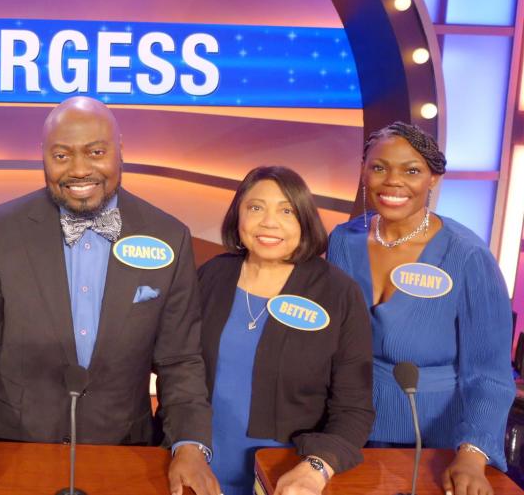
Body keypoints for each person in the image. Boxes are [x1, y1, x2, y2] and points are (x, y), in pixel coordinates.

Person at [0, 96, 219, 495]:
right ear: (42, 157)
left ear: (120, 152)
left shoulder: (170, 236)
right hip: (13, 448)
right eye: (62, 155)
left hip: (122, 452)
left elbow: (180, 361)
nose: (79, 169)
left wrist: (190, 445)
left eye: (95, 152)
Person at [328, 121, 514, 495]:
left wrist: (472, 454)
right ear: (363, 172)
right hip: (342, 430)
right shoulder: (342, 241)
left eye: (411, 170)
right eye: (379, 167)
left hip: (431, 444)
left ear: (433, 178)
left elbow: (489, 373)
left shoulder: (467, 255)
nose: (392, 181)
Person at [198, 166, 373, 495]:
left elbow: (354, 409)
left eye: (286, 210)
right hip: (196, 469)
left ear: (304, 220)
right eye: (255, 208)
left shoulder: (338, 293)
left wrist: (317, 468)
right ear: (238, 215)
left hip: (285, 478)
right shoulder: (212, 275)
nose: (268, 222)